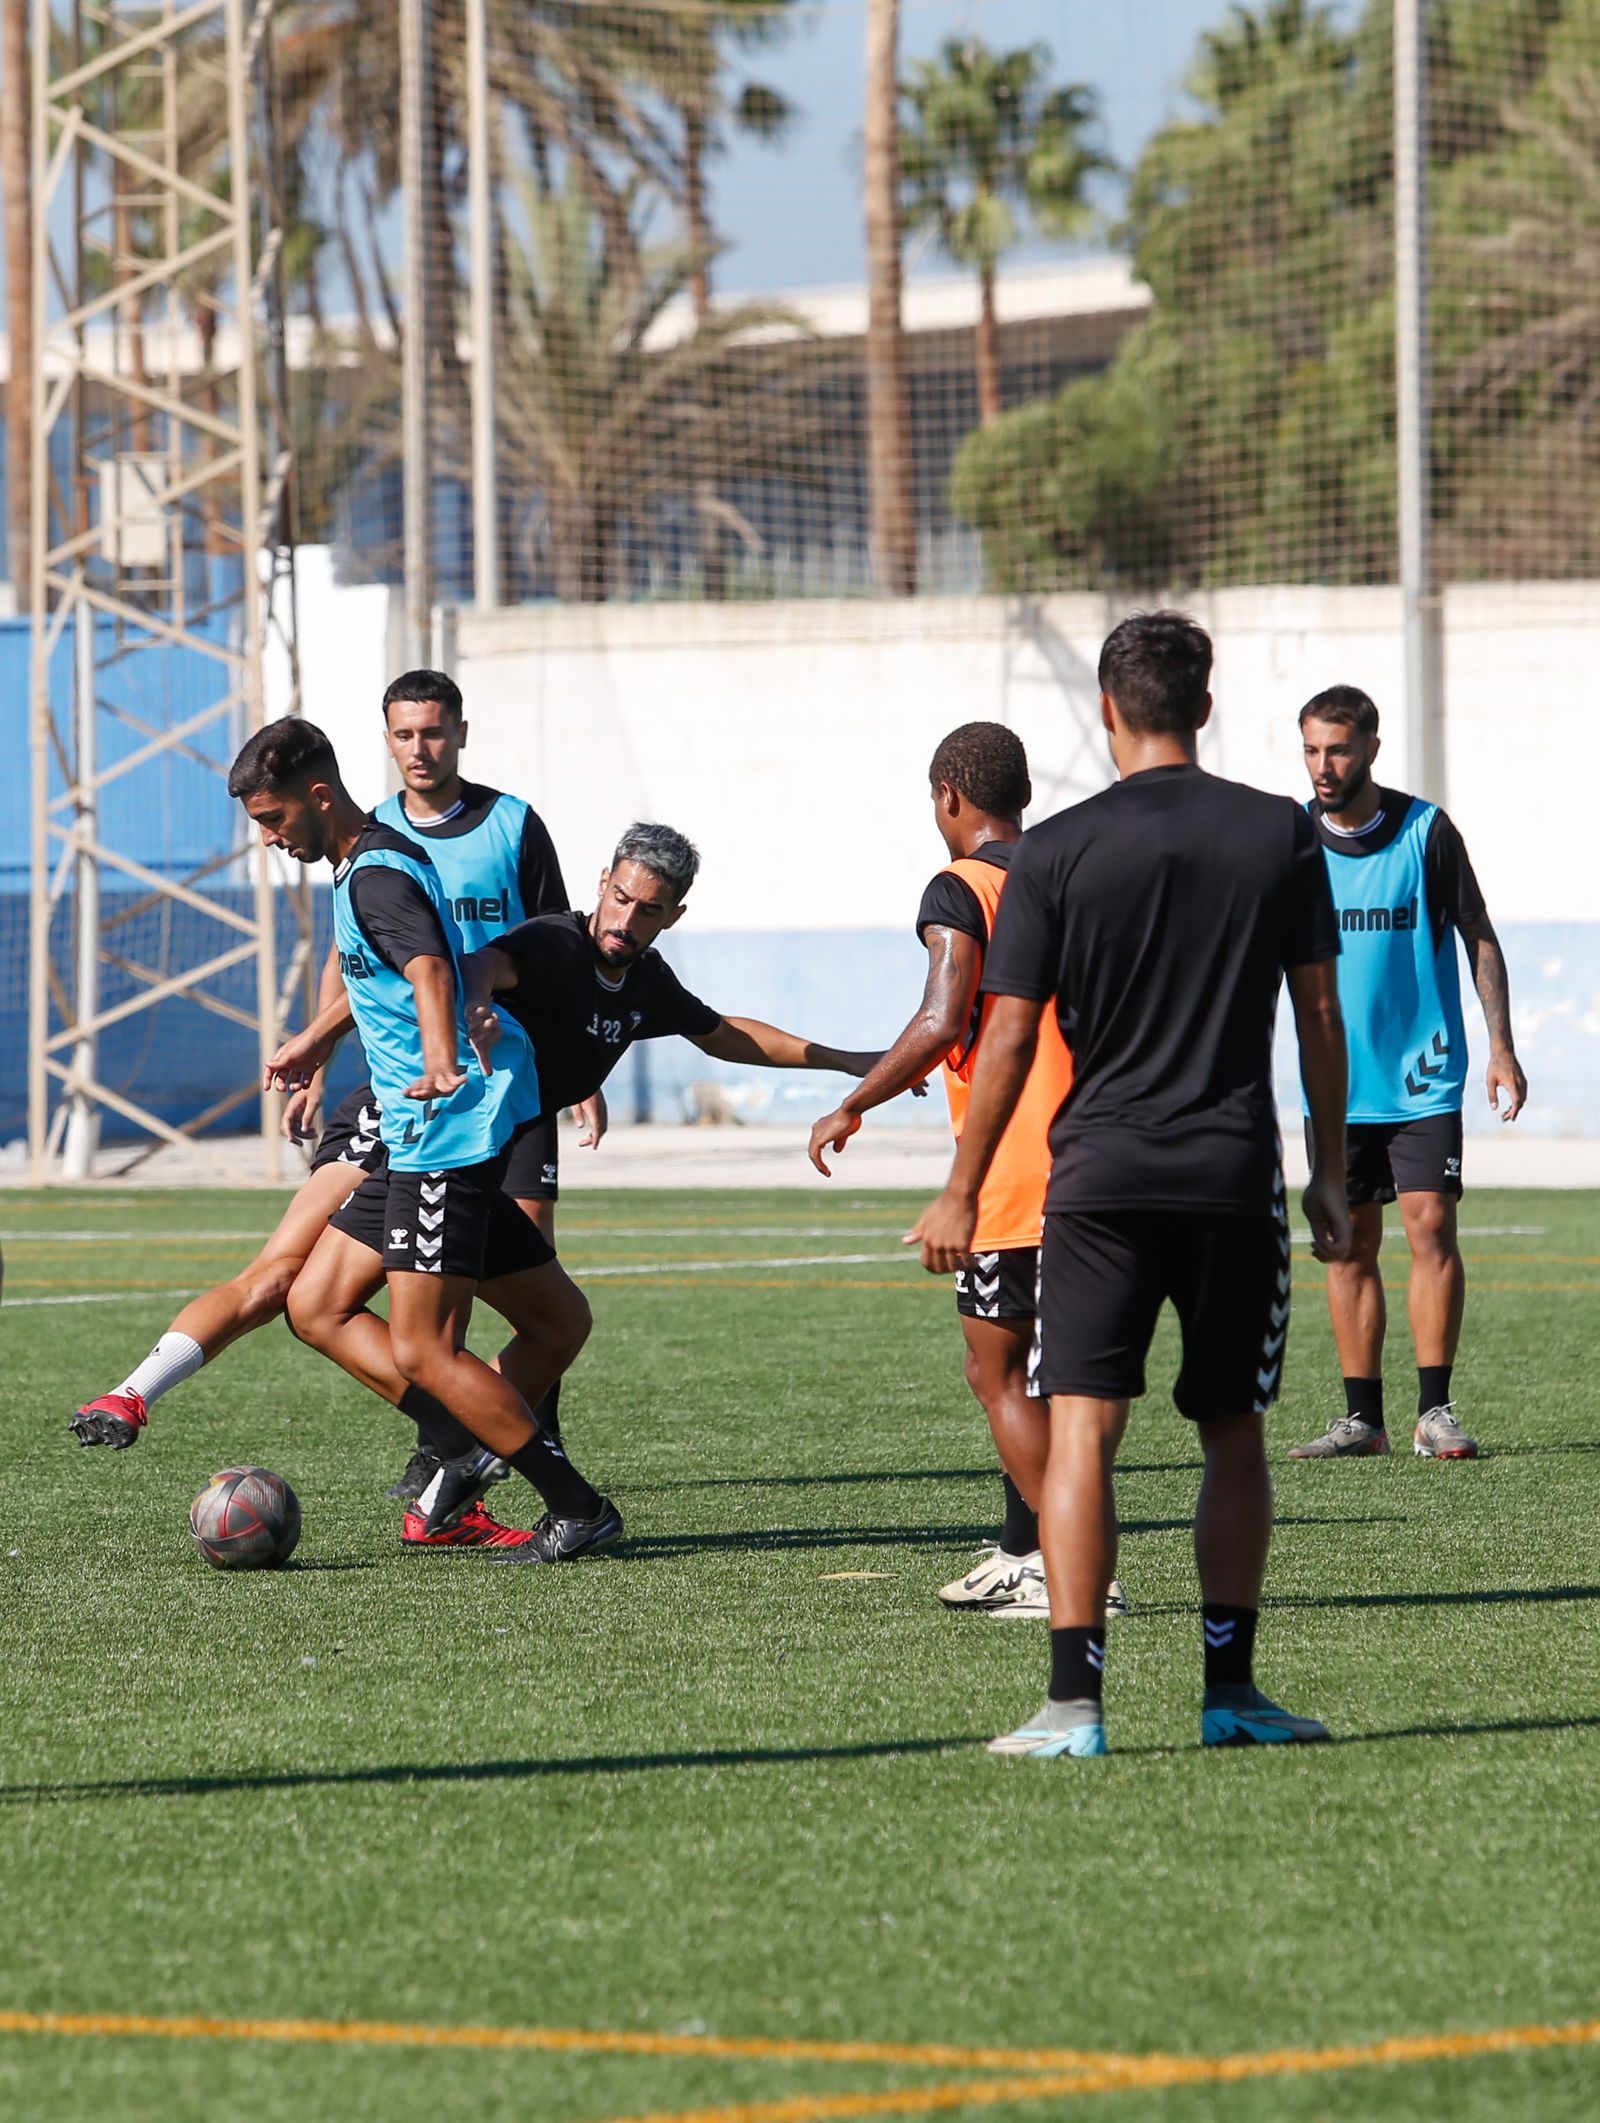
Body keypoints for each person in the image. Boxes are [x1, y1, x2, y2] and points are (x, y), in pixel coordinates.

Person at [911, 611, 1352, 1758]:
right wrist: (1333, 1177)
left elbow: (1002, 1039)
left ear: (1105, 710)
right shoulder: (1277, 834)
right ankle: (1231, 1693)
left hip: (1093, 1179)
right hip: (1228, 1176)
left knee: (1081, 1438)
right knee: (1232, 1434)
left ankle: (1074, 1706)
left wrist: (961, 1188)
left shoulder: (1052, 850)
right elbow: (1316, 1017)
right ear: (1203, 707)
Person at [228, 714, 621, 1564]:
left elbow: (433, 969)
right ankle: (474, 1438)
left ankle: (573, 1503)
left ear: (318, 795)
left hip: (438, 1128)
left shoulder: (373, 875)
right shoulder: (373, 861)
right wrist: (325, 1040)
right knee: (325, 1302)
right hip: (429, 1130)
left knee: (421, 1347)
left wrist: (440, 1058)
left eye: (274, 818)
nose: (268, 837)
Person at [808, 722, 1125, 1623]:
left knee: (995, 1374)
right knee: (1041, 1376)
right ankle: (1021, 1550)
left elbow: (943, 1016)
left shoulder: (961, 886)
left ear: (950, 793)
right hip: (1100, 1156)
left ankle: (1081, 1571)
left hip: (1018, 1170)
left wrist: (856, 1099)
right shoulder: (1077, 872)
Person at [1289, 685, 1528, 1463]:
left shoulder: (1426, 831)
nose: (1324, 766)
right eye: (1312, 751)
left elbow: (1478, 935)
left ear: (1371, 750)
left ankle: (1434, 1410)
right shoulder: (1292, 840)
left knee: (1430, 1225)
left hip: (1424, 1070)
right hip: (1334, 1083)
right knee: (1347, 1244)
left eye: (1338, 749)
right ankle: (1363, 1419)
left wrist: (1500, 1046)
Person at [462, 822, 886, 1140]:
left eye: (648, 910)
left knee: (530, 1259)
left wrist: (846, 1060)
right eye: (620, 899)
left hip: (499, 1140)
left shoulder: (648, 980)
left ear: (673, 916)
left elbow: (726, 1035)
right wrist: (478, 1002)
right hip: (449, 1134)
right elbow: (483, 964)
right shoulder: (553, 943)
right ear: (603, 884)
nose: (625, 922)